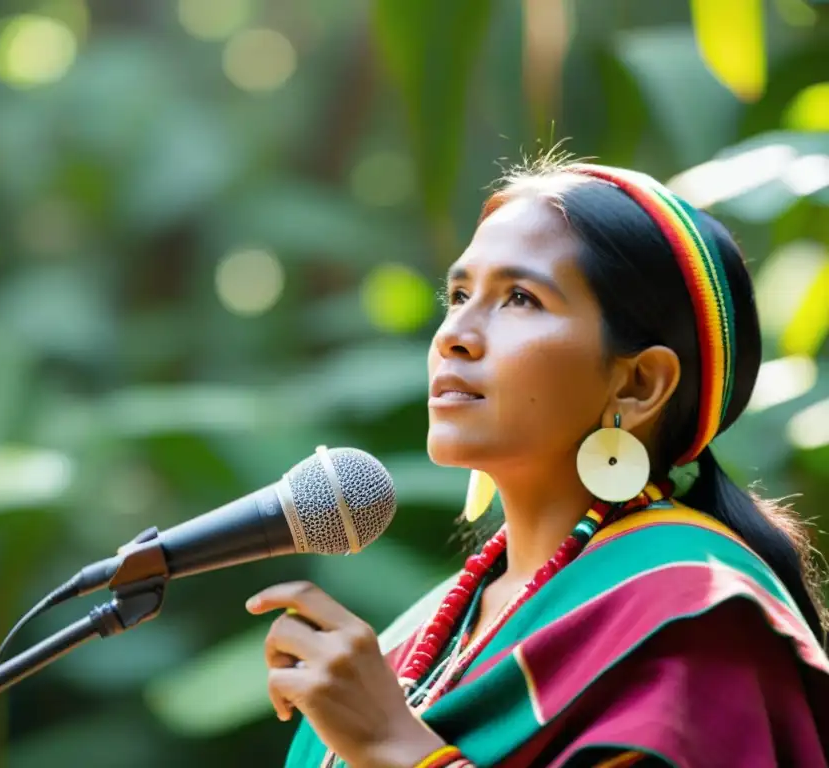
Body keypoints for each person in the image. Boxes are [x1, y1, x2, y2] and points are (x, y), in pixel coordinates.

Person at [245, 159, 829, 767]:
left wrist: (394, 747)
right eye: (459, 294)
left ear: (638, 385)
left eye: (520, 298)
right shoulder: (414, 640)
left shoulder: (692, 613)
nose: (454, 335)